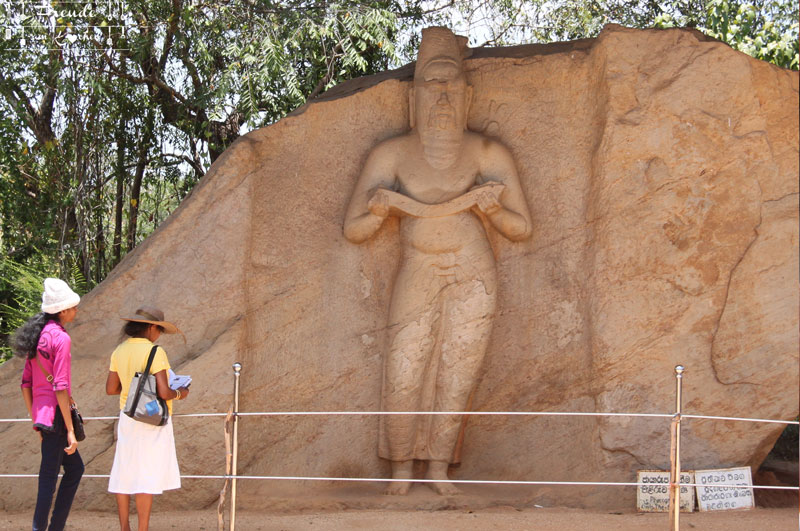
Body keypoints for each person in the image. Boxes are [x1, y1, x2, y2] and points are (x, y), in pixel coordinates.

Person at [343, 27, 532, 495]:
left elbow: (522, 227)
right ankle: (402, 468)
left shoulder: (487, 152)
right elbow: (353, 229)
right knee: (405, 369)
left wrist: (491, 209)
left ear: (468, 96)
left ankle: (440, 469)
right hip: (419, 267)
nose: (443, 98)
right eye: (432, 86)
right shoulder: (393, 154)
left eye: (451, 87)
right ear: (413, 100)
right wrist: (381, 211)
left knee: (458, 371)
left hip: (473, 272)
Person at [105, 306, 190, 531]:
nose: (159, 334)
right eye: (159, 330)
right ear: (151, 328)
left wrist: (133, 386)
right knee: (146, 476)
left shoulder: (119, 351)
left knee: (124, 472)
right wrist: (181, 392)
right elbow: (163, 392)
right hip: (151, 419)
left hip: (127, 416)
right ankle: (143, 528)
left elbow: (111, 388)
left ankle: (125, 527)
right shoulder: (155, 352)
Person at [14, 277, 84, 531]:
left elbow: (25, 384)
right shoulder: (61, 339)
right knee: (49, 479)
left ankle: (54, 527)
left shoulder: (38, 336)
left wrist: (36, 421)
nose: (76, 310)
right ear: (63, 310)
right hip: (55, 416)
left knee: (75, 469)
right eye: (74, 307)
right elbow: (61, 388)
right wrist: (70, 430)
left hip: (44, 417)